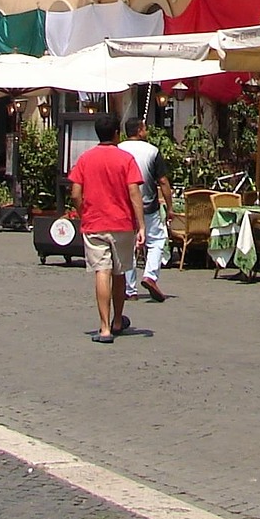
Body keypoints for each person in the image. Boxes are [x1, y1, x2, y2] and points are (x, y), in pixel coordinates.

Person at [66, 113, 144, 345]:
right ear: (116, 134)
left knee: (102, 271)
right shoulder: (126, 159)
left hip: (95, 223)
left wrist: (83, 213)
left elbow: (75, 194)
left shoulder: (85, 159)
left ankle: (104, 327)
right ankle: (118, 319)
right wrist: (141, 225)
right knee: (119, 272)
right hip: (121, 222)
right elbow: (134, 193)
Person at [117, 116, 172, 303]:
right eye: (145, 128)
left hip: (124, 207)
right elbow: (162, 181)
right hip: (148, 205)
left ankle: (130, 289)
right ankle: (150, 275)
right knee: (157, 241)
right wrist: (170, 206)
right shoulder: (152, 151)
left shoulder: (118, 150)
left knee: (128, 247)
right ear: (140, 130)